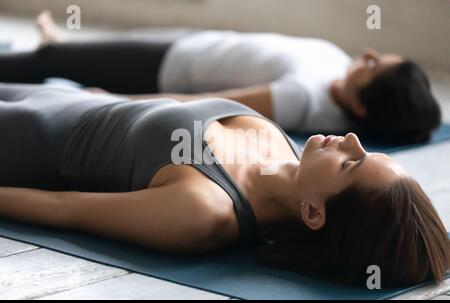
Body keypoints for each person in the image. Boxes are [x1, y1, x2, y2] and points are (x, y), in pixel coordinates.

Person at [0, 82, 449, 287]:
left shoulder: (204, 211)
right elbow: (174, 103)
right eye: (366, 151)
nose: (353, 141)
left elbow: (63, 207)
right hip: (72, 99)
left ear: (314, 212)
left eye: (352, 164)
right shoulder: (284, 148)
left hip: (27, 142)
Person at [0, 11, 441, 145]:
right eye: (376, 56)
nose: (365, 54)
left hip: (169, 67)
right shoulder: (338, 80)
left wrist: (115, 96)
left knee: (51, 60)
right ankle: (65, 50)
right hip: (196, 43)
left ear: (361, 107)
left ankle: (54, 53)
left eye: (371, 65)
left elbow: (215, 101)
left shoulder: (304, 99)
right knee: (76, 52)